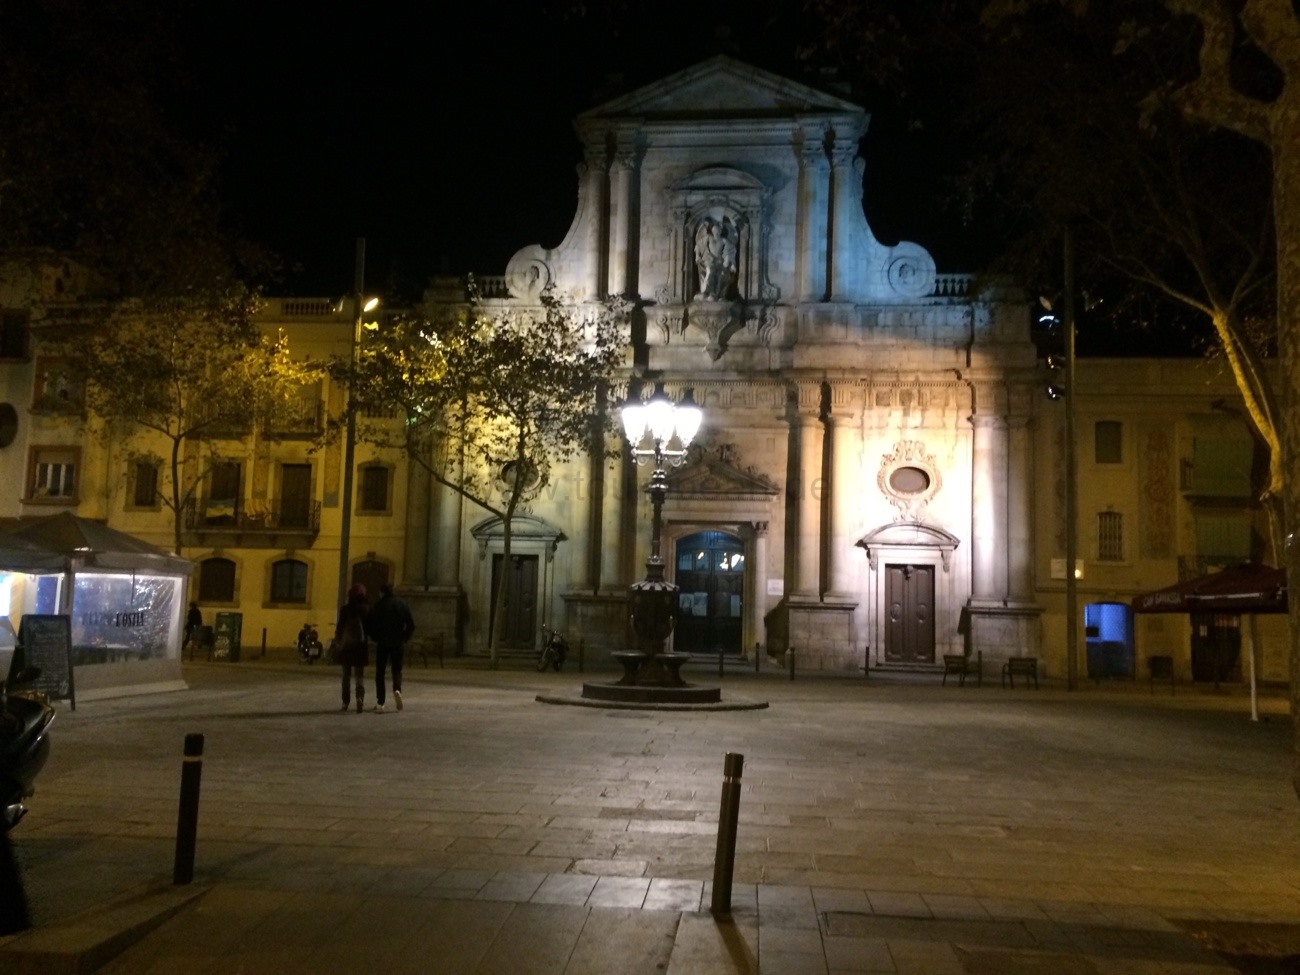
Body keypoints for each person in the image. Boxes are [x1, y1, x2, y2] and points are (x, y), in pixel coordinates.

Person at [368, 584, 414, 712]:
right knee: (397, 670)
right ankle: (397, 689)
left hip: (383, 642)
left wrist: (375, 637)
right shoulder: (401, 604)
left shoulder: (379, 605)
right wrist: (404, 637)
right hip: (398, 642)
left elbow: (373, 624)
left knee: (380, 672)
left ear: (382, 592)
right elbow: (410, 624)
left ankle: (380, 702)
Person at [334, 584, 370, 713]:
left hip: (347, 646)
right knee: (359, 675)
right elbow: (369, 628)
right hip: (361, 646)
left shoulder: (345, 609)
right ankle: (360, 699)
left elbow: (340, 627)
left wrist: (338, 641)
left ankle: (345, 702)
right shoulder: (366, 609)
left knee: (346, 675)